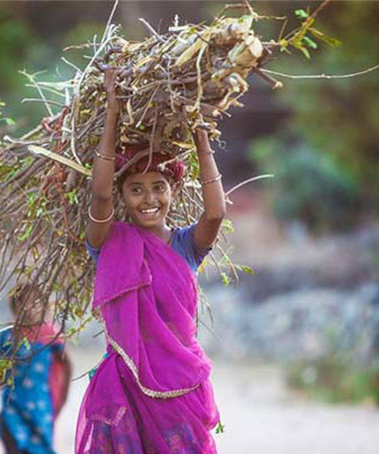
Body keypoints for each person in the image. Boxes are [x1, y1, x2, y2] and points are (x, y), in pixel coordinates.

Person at [75, 68, 226, 453]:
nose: (149, 199)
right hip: (124, 388)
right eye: (136, 190)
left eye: (159, 187)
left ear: (174, 190)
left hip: (180, 386)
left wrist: (200, 134)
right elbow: (99, 197)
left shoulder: (186, 245)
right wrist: (112, 111)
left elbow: (215, 215)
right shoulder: (109, 243)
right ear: (123, 197)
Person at [0, 282, 72, 454]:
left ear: (43, 304)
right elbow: (1, 372)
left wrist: (63, 397)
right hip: (12, 404)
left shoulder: (50, 333)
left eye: (35, 302)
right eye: (23, 302)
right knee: (12, 443)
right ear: (14, 307)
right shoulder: (8, 335)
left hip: (40, 407)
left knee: (38, 449)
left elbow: (66, 364)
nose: (29, 308)